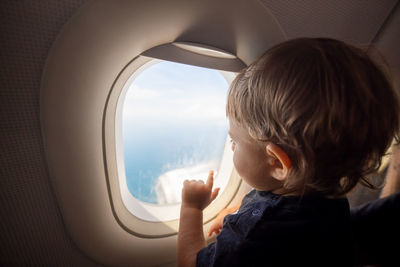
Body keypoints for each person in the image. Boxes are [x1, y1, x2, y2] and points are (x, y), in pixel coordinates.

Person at [177, 38, 400, 267]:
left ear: (277, 164)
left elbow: (190, 263)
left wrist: (191, 209)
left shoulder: (252, 240)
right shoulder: (328, 200)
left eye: (235, 140)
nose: (231, 146)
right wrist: (237, 213)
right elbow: (273, 202)